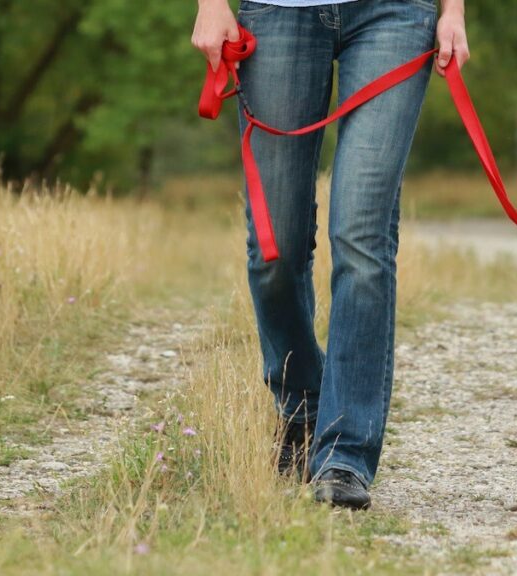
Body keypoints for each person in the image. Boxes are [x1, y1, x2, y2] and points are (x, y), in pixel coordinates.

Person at [192, 0, 469, 510]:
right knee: (275, 249)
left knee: (362, 237)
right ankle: (303, 407)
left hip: (396, 16)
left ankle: (345, 453)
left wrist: (453, 11)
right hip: (277, 15)